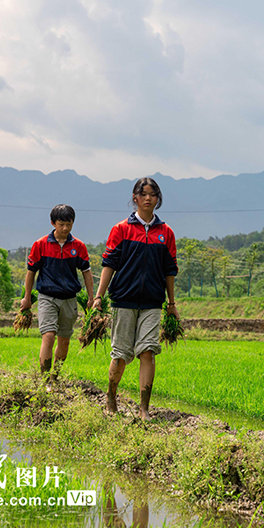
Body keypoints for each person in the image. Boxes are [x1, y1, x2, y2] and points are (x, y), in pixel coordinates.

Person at [92, 177, 179, 421]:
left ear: (158, 199)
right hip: (124, 300)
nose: (149, 198)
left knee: (148, 352)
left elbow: (170, 270)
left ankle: (144, 409)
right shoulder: (121, 229)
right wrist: (99, 296)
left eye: (153, 194)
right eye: (144, 194)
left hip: (152, 301)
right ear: (135, 198)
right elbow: (109, 264)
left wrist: (171, 304)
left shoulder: (166, 233)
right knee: (120, 355)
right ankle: (111, 396)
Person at [20, 205, 94, 383]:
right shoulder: (40, 245)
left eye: (69, 224)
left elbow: (86, 272)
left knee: (64, 341)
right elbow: (31, 272)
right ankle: (45, 379)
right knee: (49, 336)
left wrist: (92, 298)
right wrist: (27, 297)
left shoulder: (78, 246)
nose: (65, 228)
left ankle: (55, 376)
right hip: (47, 297)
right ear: (53, 223)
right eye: (61, 224)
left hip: (69, 299)